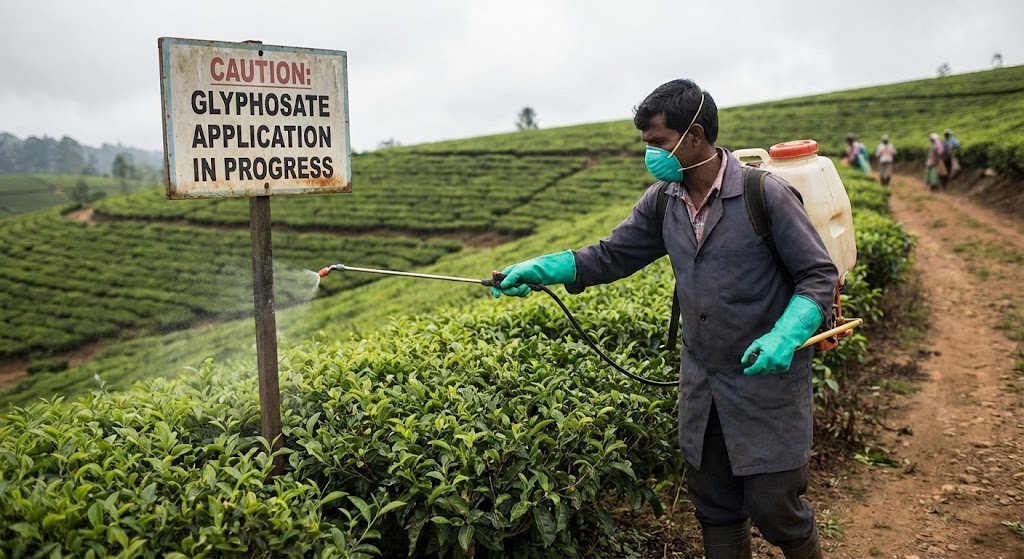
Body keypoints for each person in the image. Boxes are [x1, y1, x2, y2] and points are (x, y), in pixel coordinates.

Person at [491, 79, 837, 559]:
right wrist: (541, 268)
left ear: (693, 135)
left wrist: (786, 334)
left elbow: (819, 276)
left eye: (658, 142)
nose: (651, 155)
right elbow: (612, 255)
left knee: (774, 506)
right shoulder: (663, 201)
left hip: (767, 384)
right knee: (716, 508)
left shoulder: (766, 195)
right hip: (704, 385)